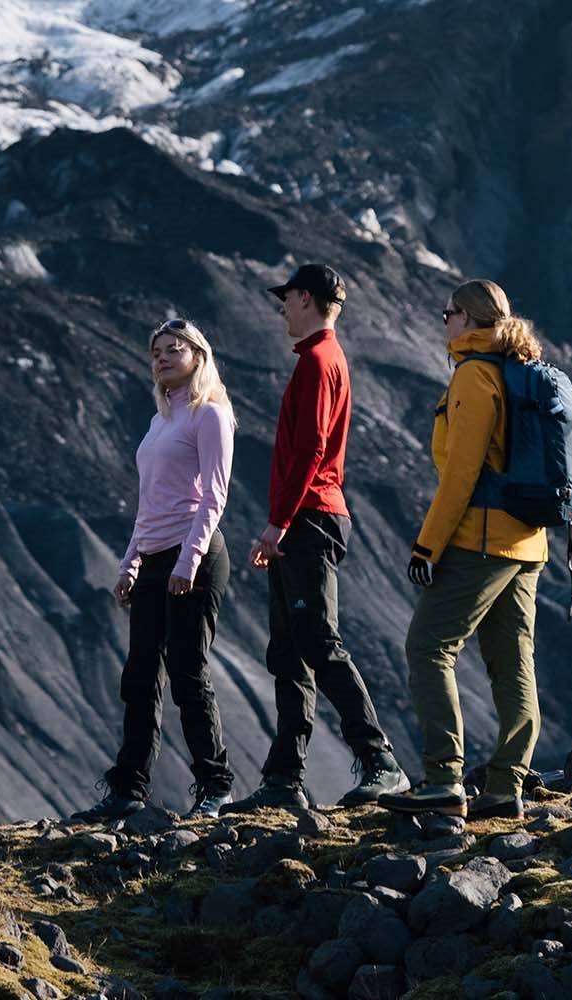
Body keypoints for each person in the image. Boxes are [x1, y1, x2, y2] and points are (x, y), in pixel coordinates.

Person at [223, 264, 409, 814]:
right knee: (288, 650)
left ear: (307, 298)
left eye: (287, 297)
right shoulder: (319, 360)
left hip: (309, 519)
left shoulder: (318, 363)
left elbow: (309, 449)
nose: (281, 306)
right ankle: (284, 778)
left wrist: (278, 521)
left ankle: (381, 762)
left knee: (317, 641)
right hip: (307, 518)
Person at [377, 279, 547, 820]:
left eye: (447, 313)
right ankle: (504, 790)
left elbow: (462, 473)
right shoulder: (521, 372)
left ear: (469, 320)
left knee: (428, 647)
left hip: (481, 537)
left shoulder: (475, 377)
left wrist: (427, 546)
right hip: (529, 542)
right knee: (513, 665)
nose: (443, 322)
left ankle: (443, 779)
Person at [73, 319, 238, 822]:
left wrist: (188, 559)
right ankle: (128, 788)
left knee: (188, 670)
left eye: (175, 349)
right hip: (155, 555)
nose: (163, 357)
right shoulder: (160, 420)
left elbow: (214, 496)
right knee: (141, 674)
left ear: (198, 356)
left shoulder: (209, 415)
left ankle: (215, 785)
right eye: (156, 352)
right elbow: (150, 503)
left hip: (196, 553)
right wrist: (131, 562)